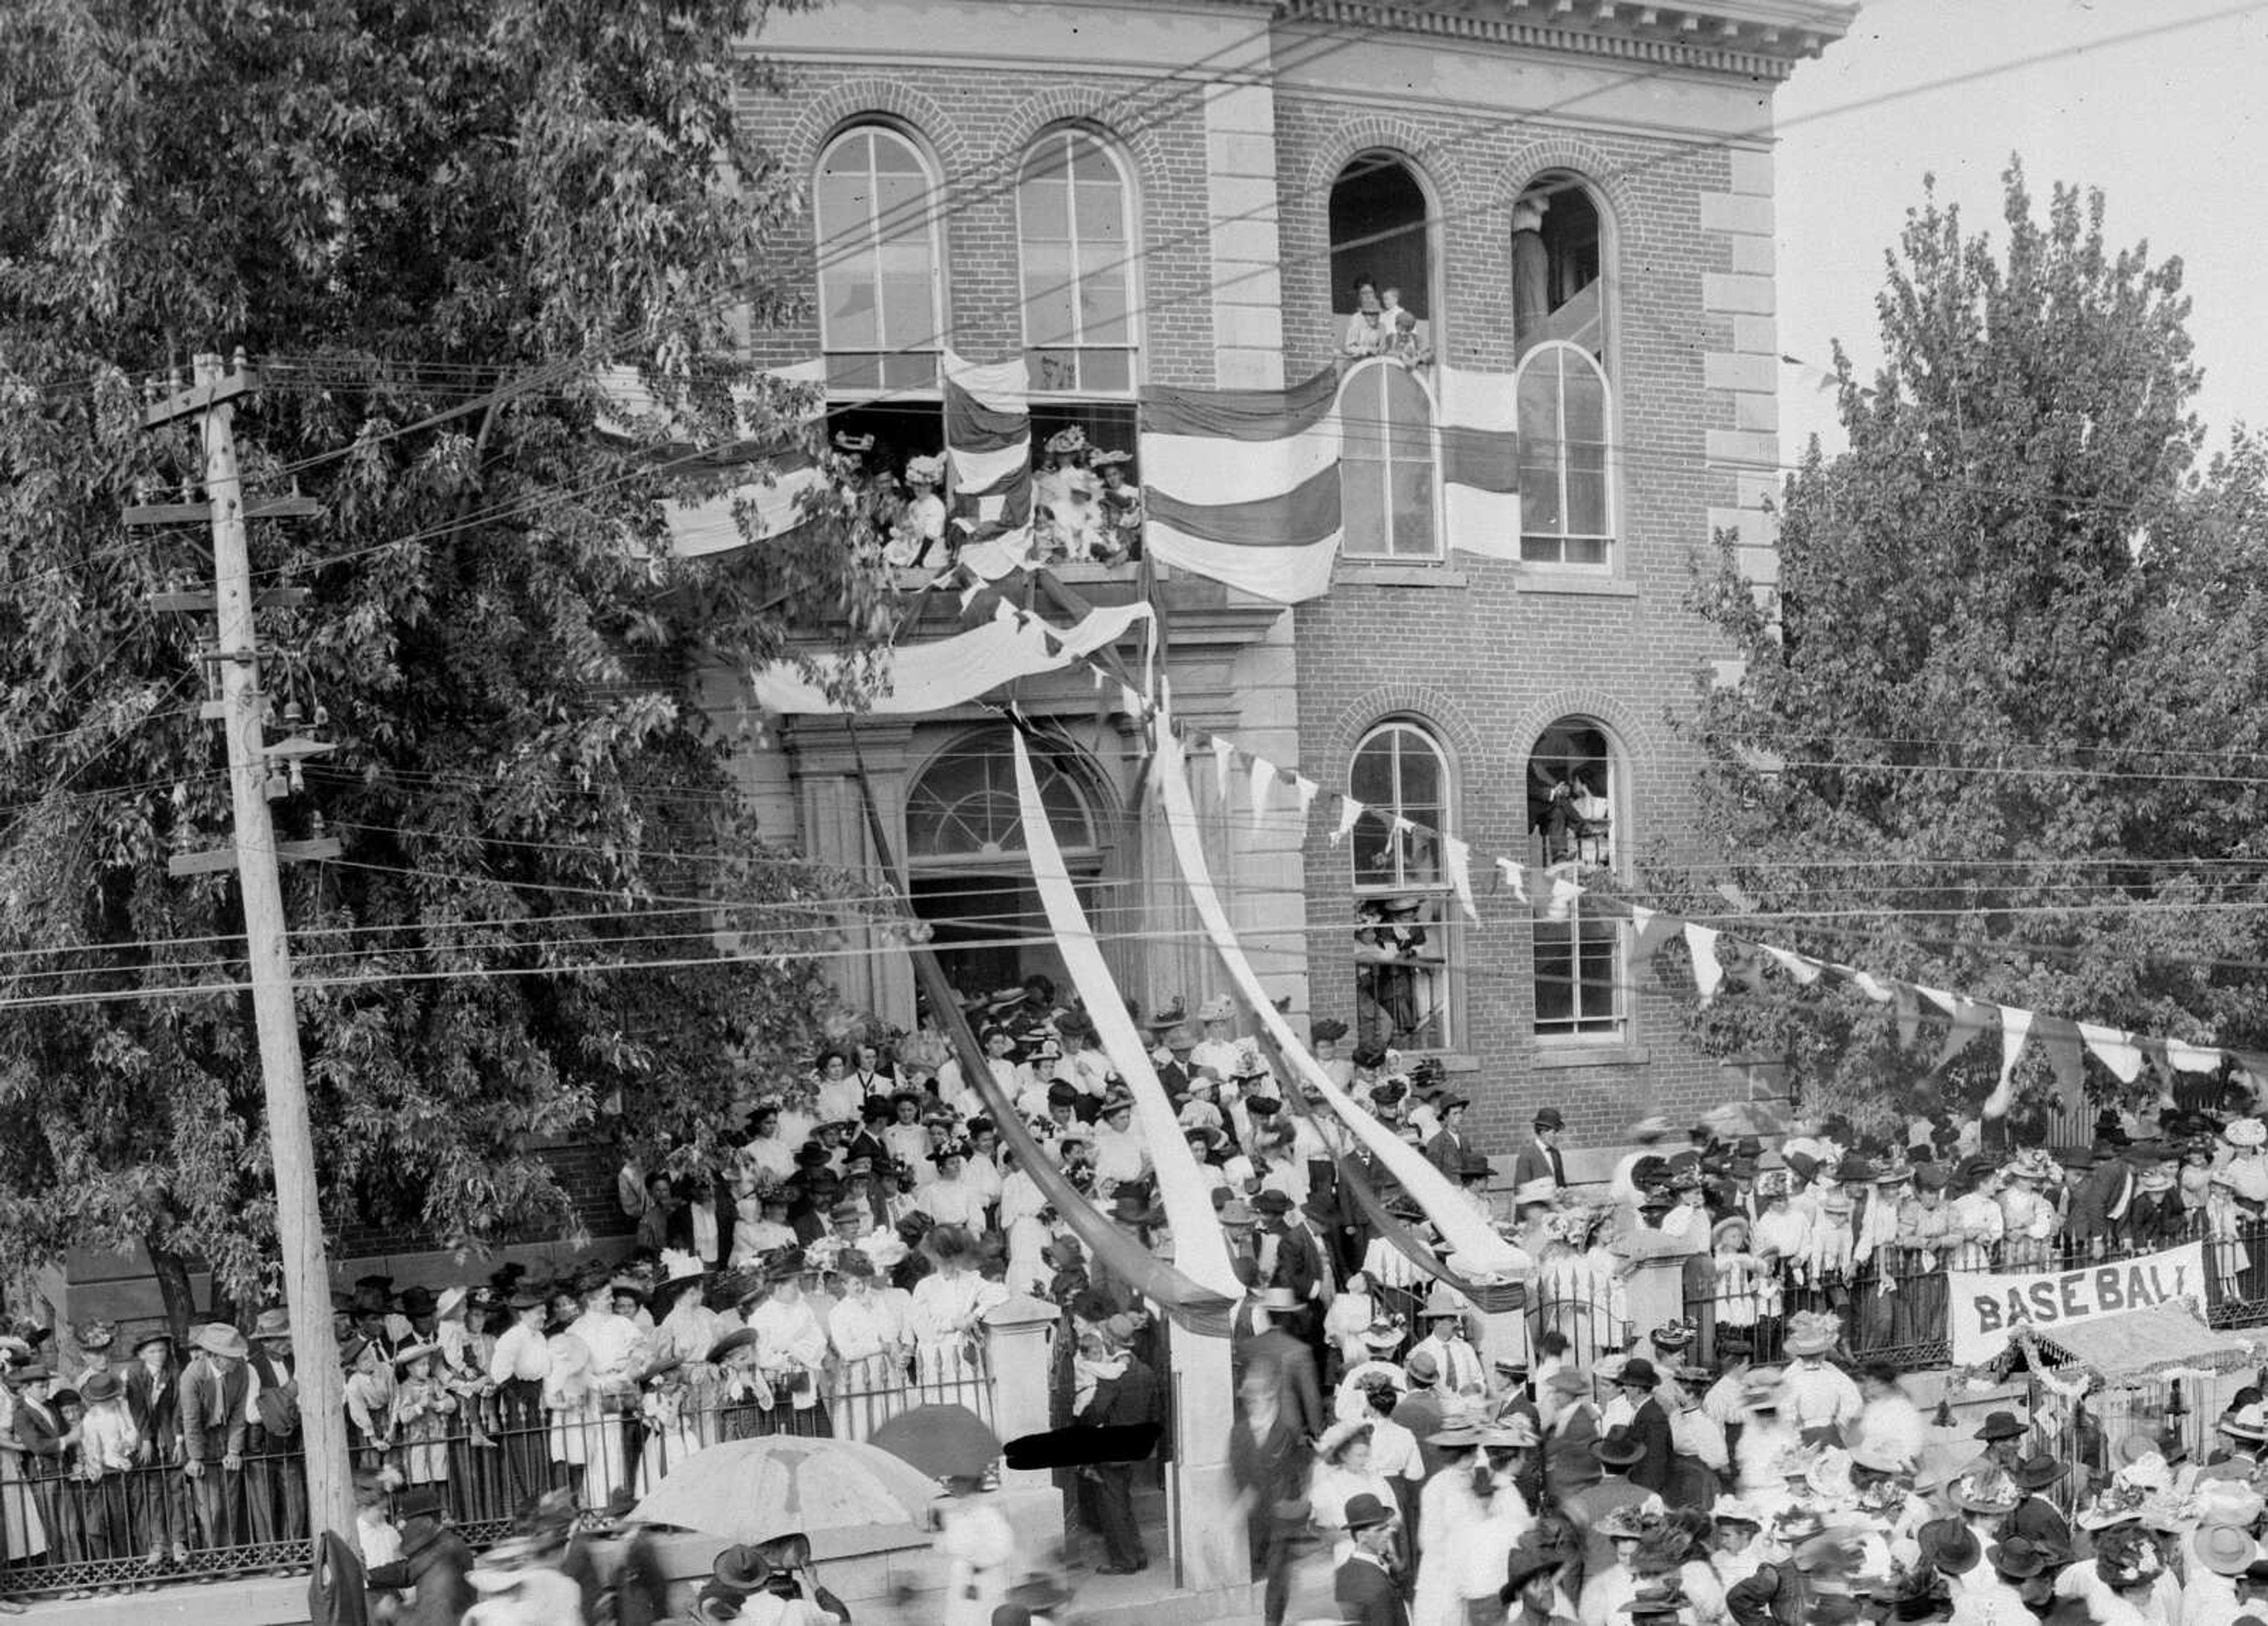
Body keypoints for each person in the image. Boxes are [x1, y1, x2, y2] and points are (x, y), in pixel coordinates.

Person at [1074, 1327, 1158, 1575]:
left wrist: (1079, 1421)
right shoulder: (1145, 1371)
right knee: (1124, 1502)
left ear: (1110, 1341)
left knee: (1113, 1506)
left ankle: (1124, 1561)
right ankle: (1137, 1555)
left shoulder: (1113, 1377)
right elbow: (1155, 1411)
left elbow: (1096, 1412)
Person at [177, 1323, 252, 1552]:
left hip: (226, 1433)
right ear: (214, 1357)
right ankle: (211, 1556)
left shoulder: (241, 1370)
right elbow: (191, 1420)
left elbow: (239, 1413)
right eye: (230, 1357)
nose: (235, 1361)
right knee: (210, 1505)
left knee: (230, 1502)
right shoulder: (193, 1375)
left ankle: (229, 1557)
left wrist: (233, 1450)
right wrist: (196, 1457)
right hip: (203, 1437)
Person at [364, 1485, 475, 1626]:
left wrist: (393, 1611)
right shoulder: (445, 1542)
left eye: (406, 1521)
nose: (400, 1526)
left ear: (427, 1522)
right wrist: (367, 1576)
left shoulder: (444, 1550)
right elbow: (405, 1571)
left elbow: (434, 1622)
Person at [1336, 1491, 1408, 1626]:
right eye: (1381, 1530)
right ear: (1362, 1537)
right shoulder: (1377, 1586)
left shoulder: (1343, 1572)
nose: (1389, 1533)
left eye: (1388, 1527)